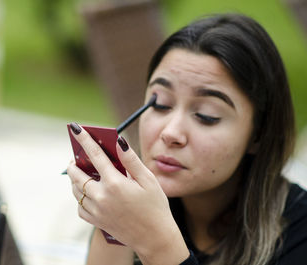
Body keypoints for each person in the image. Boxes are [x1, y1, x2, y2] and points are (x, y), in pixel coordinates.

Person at [66, 13, 307, 265]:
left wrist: (158, 244)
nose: (170, 132)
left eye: (206, 115)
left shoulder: (298, 233)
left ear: (258, 134)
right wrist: (112, 228)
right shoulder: (132, 205)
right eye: (159, 104)